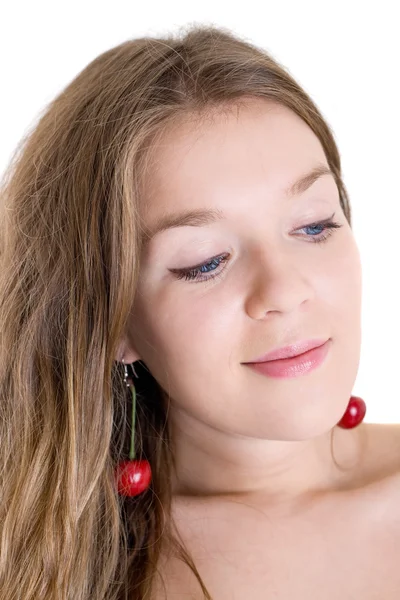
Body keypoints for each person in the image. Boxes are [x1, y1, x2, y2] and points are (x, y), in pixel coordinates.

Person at [0, 24, 399, 600]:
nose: (284, 291)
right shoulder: (56, 569)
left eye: (315, 225)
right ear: (111, 320)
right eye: (206, 261)